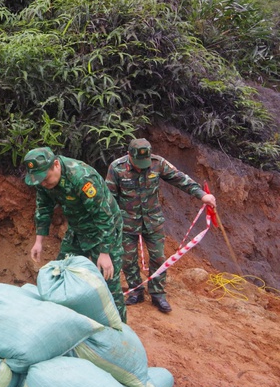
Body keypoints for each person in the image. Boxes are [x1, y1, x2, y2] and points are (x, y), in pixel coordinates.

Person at [105, 138, 216, 313]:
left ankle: (158, 294)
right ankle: (136, 291)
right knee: (128, 259)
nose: (142, 167)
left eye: (145, 163)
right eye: (137, 163)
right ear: (129, 155)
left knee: (158, 257)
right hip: (127, 222)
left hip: (153, 221)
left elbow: (180, 179)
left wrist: (202, 195)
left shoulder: (158, 163)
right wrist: (112, 223)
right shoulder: (117, 168)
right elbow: (109, 198)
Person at [24, 147, 127, 323]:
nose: (43, 184)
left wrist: (104, 252)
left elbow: (104, 216)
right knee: (61, 272)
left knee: (108, 283)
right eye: (40, 180)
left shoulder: (82, 178)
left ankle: (120, 332)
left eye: (46, 179)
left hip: (105, 230)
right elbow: (43, 208)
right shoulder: (42, 180)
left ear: (56, 164)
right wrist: (39, 241)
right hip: (78, 229)